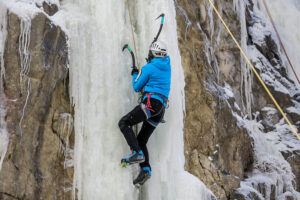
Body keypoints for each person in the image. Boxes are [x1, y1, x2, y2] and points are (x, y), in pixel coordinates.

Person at [118, 40, 171, 186]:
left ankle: (137, 153)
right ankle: (145, 169)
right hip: (160, 111)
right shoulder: (167, 65)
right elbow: (155, 78)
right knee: (141, 139)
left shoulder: (149, 68)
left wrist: (136, 73)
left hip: (150, 104)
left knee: (124, 123)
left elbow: (136, 86)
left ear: (152, 54)